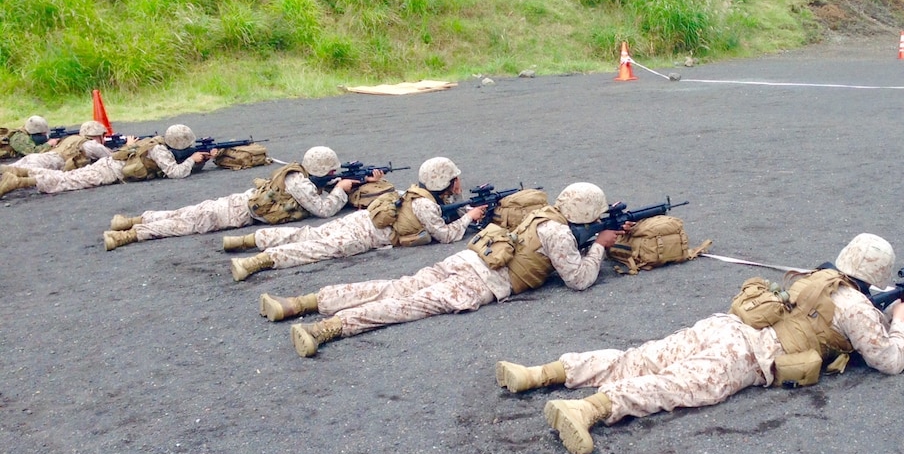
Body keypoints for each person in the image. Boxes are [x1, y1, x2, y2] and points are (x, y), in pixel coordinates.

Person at [493, 233, 904, 454]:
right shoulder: (858, 308)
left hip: (724, 326)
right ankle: (587, 409)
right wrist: (900, 321)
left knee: (640, 357)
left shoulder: (817, 276)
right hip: (749, 355)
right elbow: (888, 361)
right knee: (675, 386)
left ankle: (542, 373)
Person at [258, 182, 635, 358]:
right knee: (408, 305)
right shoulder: (560, 234)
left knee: (396, 286)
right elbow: (579, 280)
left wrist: (593, 239)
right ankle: (327, 328)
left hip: (467, 259)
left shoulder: (545, 215)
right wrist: (600, 247)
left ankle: (301, 303)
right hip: (484, 280)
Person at [226, 156, 488, 281]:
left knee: (308, 233)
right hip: (366, 235)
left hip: (361, 220)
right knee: (317, 248)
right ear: (445, 182)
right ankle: (257, 261)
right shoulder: (427, 207)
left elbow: (451, 207)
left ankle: (247, 241)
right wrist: (470, 219)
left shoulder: (416, 192)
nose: (459, 183)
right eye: (455, 179)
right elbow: (445, 235)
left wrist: (468, 210)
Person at [102, 145, 358, 251]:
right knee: (184, 224)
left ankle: (132, 220)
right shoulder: (300, 183)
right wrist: (341, 191)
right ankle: (129, 235)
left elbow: (317, 188)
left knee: (185, 213)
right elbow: (323, 210)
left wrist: (342, 182)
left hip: (240, 202)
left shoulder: (300, 175)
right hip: (237, 213)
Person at [0, 123, 213, 201]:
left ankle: (19, 176)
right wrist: (193, 161)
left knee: (66, 178)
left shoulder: (162, 146)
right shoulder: (159, 150)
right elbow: (176, 173)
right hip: (108, 170)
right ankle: (19, 180)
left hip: (110, 167)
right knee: (65, 181)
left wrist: (198, 160)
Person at [0, 121, 119, 174]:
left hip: (38, 157)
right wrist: (128, 145)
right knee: (17, 173)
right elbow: (112, 158)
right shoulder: (91, 145)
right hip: (49, 161)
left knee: (7, 170)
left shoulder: (71, 139)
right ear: (99, 135)